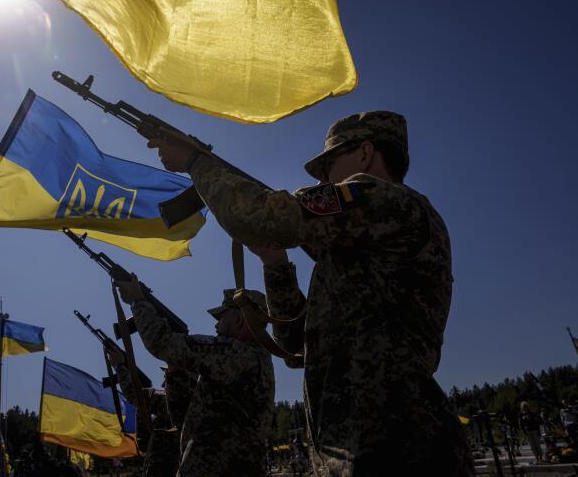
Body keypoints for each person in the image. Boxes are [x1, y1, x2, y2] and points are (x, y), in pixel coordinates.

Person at [147, 111, 474, 476]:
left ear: (365, 153)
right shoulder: (363, 245)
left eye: (328, 164)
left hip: (393, 444)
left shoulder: (384, 199)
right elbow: (296, 346)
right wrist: (276, 265)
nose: (323, 177)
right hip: (360, 442)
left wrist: (195, 161)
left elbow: (256, 216)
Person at [116, 277, 275, 477]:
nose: (217, 326)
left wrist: (138, 301)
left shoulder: (238, 353)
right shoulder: (248, 358)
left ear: (239, 319)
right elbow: (185, 419)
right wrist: (176, 373)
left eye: (221, 317)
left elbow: (160, 342)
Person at [109, 351, 195, 477]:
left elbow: (133, 394)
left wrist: (120, 366)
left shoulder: (170, 400)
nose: (165, 378)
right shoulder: (198, 402)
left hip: (162, 469)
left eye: (168, 373)